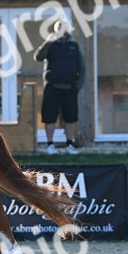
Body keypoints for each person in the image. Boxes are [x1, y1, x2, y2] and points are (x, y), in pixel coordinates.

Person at [35, 19, 85, 154]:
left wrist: (77, 86)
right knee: (49, 116)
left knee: (71, 117)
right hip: (52, 87)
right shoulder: (50, 45)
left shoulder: (74, 46)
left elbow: (82, 67)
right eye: (59, 29)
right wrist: (48, 41)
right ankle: (50, 145)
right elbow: (38, 57)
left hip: (70, 88)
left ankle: (70, 144)